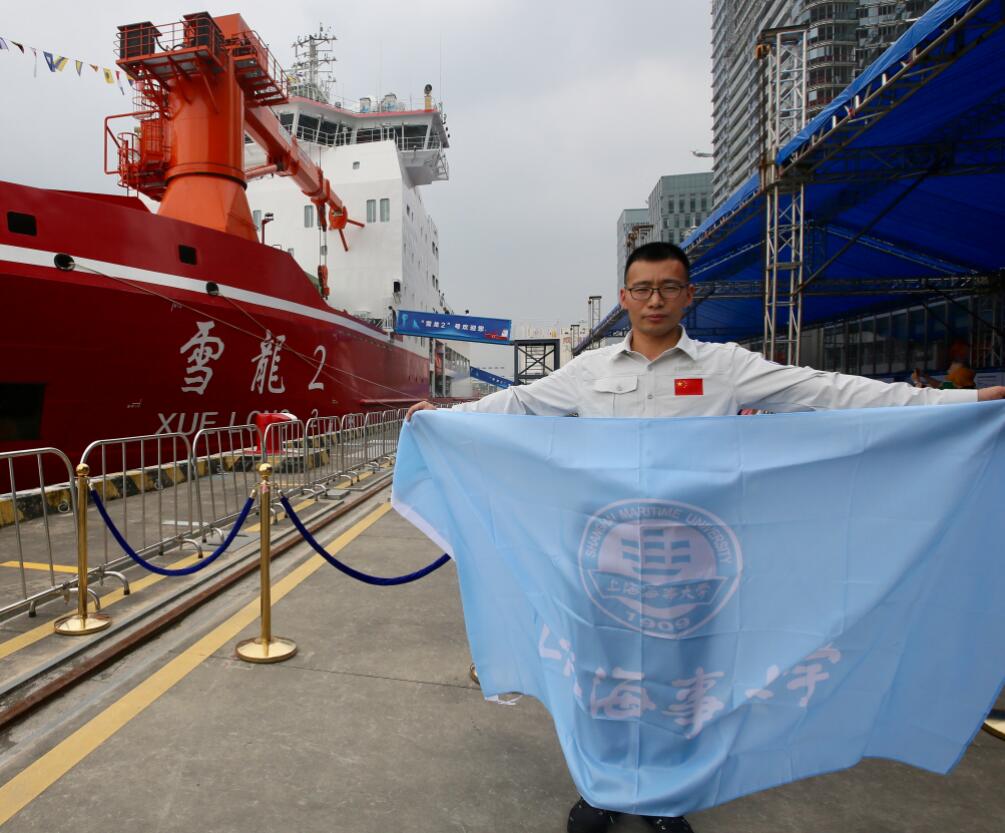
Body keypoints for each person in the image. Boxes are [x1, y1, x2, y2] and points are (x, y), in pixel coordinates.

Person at [406, 241, 1005, 833]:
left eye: (669, 288)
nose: (655, 300)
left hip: (694, 560)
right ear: (624, 297)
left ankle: (667, 796)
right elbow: (520, 403)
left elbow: (825, 390)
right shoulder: (590, 372)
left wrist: (956, 402)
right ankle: (600, 788)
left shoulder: (724, 367)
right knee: (600, 675)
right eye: (643, 289)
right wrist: (442, 419)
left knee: (682, 682)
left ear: (688, 295)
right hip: (604, 559)